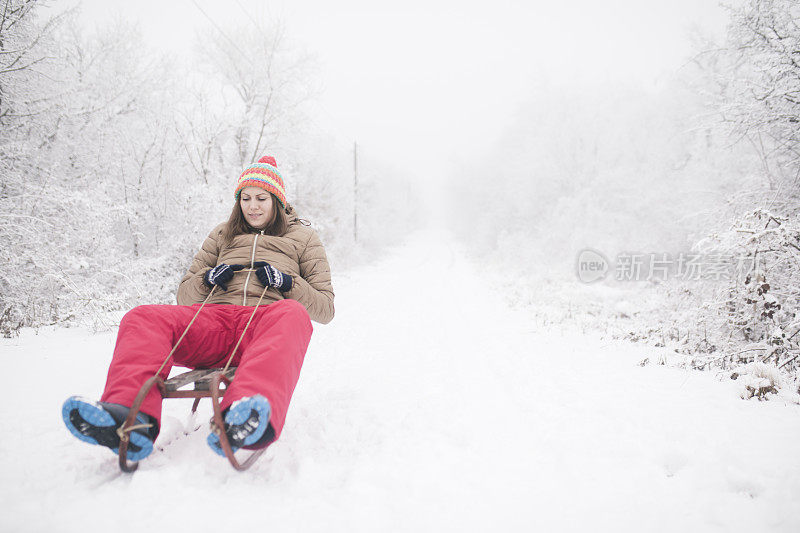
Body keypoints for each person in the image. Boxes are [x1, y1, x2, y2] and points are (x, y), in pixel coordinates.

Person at [61, 155, 334, 462]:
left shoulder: (303, 238)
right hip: (212, 324)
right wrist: (207, 279)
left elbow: (325, 308)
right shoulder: (222, 234)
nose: (253, 206)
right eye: (245, 198)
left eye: (261, 198)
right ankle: (129, 418)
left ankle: (244, 416)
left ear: (278, 201)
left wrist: (288, 283)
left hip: (264, 327)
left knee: (293, 314)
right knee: (142, 317)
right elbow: (184, 294)